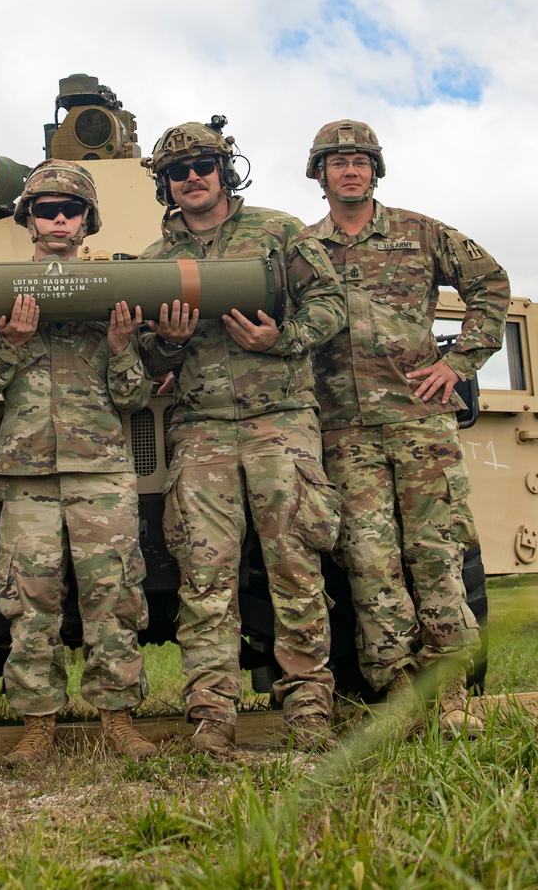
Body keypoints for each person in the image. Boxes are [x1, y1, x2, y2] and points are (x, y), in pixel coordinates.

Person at [138, 121, 347, 756]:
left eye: (203, 164)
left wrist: (278, 340)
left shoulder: (280, 233)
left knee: (295, 565)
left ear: (224, 169)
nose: (191, 177)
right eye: (178, 171)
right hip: (200, 427)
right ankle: (211, 716)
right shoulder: (152, 262)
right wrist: (164, 344)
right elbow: (144, 354)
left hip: (279, 419)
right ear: (165, 184)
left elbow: (331, 303)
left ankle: (310, 709)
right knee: (204, 574)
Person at [303, 120, 510, 737]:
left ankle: (450, 696)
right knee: (369, 564)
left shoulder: (422, 234)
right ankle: (395, 689)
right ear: (319, 175)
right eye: (336, 161)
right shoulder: (301, 247)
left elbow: (491, 283)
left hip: (420, 425)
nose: (350, 170)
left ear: (376, 170)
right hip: (344, 431)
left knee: (436, 557)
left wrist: (460, 361)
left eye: (361, 160)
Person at [0, 160, 156, 765]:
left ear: (87, 221)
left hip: (101, 468)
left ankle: (118, 719)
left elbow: (133, 397)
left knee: (115, 596)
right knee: (29, 599)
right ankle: (38, 728)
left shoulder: (113, 290)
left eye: (70, 210)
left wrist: (121, 348)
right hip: (27, 472)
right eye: (46, 209)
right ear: (29, 220)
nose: (59, 219)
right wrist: (13, 344)